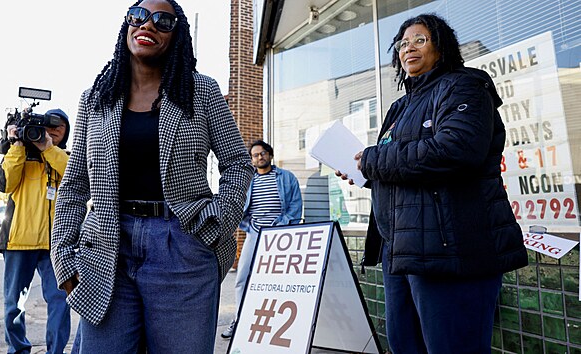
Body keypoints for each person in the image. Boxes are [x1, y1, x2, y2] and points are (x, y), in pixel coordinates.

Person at [49, 0, 253, 352]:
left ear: (177, 35)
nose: (148, 25)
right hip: (107, 247)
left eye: (163, 20)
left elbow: (237, 162)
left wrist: (219, 219)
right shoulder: (95, 99)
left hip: (182, 246)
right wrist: (63, 256)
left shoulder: (200, 91)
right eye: (138, 16)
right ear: (127, 25)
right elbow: (75, 185)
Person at [338, 13, 528, 354]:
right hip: (401, 252)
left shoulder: (465, 84)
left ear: (440, 47)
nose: (409, 48)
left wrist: (374, 161)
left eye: (420, 40)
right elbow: (406, 168)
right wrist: (366, 174)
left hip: (451, 250)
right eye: (402, 43)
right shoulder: (400, 106)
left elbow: (456, 150)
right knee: (406, 346)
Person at [0, 108, 71, 354]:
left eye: (60, 127)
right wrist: (16, 144)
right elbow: (5, 184)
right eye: (50, 126)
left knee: (60, 302)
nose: (54, 131)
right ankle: (17, 351)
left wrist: (48, 149)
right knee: (12, 306)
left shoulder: (64, 157)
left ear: (66, 133)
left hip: (55, 245)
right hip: (18, 241)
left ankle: (55, 352)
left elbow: (77, 179)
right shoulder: (18, 154)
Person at [221, 140, 303, 339]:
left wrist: (281, 225)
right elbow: (240, 208)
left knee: (278, 280)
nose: (260, 157)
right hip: (255, 234)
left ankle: (276, 323)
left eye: (263, 153)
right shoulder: (250, 181)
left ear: (270, 154)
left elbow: (295, 206)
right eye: (256, 155)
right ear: (252, 160)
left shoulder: (286, 177)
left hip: (279, 235)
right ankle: (239, 320)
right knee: (243, 278)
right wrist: (249, 227)